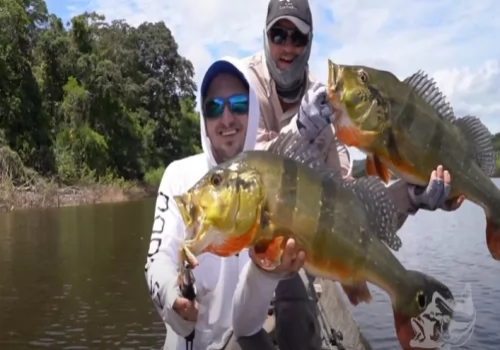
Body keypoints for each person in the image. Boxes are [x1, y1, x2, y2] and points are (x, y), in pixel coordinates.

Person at [233, 0, 465, 348]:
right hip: (246, 244)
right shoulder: (240, 89)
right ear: (265, 37)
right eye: (278, 34)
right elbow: (245, 169)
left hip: (309, 246)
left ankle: (402, 288)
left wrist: (411, 196)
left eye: (297, 37)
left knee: (301, 302)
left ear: (309, 43)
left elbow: (344, 202)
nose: (287, 47)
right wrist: (299, 131)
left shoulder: (327, 98)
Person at [144, 56, 304, 350]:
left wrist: (265, 271)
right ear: (204, 118)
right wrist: (172, 296)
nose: (227, 118)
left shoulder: (270, 183)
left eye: (239, 105)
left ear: (252, 110)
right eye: (214, 108)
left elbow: (245, 325)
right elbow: (157, 259)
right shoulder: (179, 176)